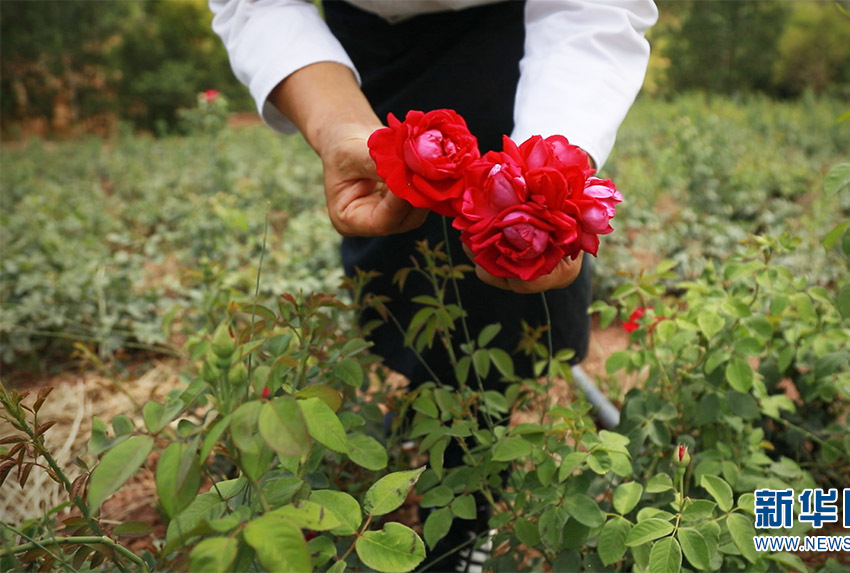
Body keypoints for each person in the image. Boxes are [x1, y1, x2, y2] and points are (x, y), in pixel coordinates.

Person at [210, 0, 655, 568]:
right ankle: (433, 404)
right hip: (367, 48)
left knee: (504, 300)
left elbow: (592, 10)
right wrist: (339, 124)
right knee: (401, 260)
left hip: (512, 33)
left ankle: (465, 521)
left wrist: (551, 180)